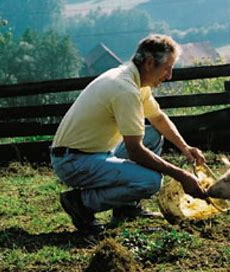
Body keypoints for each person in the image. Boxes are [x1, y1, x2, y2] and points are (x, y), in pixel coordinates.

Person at [50, 34, 208, 234]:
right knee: (150, 181)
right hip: (74, 161)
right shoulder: (125, 89)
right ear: (150, 63)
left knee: (152, 134)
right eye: (167, 68)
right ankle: (81, 203)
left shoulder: (134, 80)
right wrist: (182, 175)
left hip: (93, 152)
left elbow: (158, 118)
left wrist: (185, 147)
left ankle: (126, 207)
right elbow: (135, 151)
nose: (169, 76)